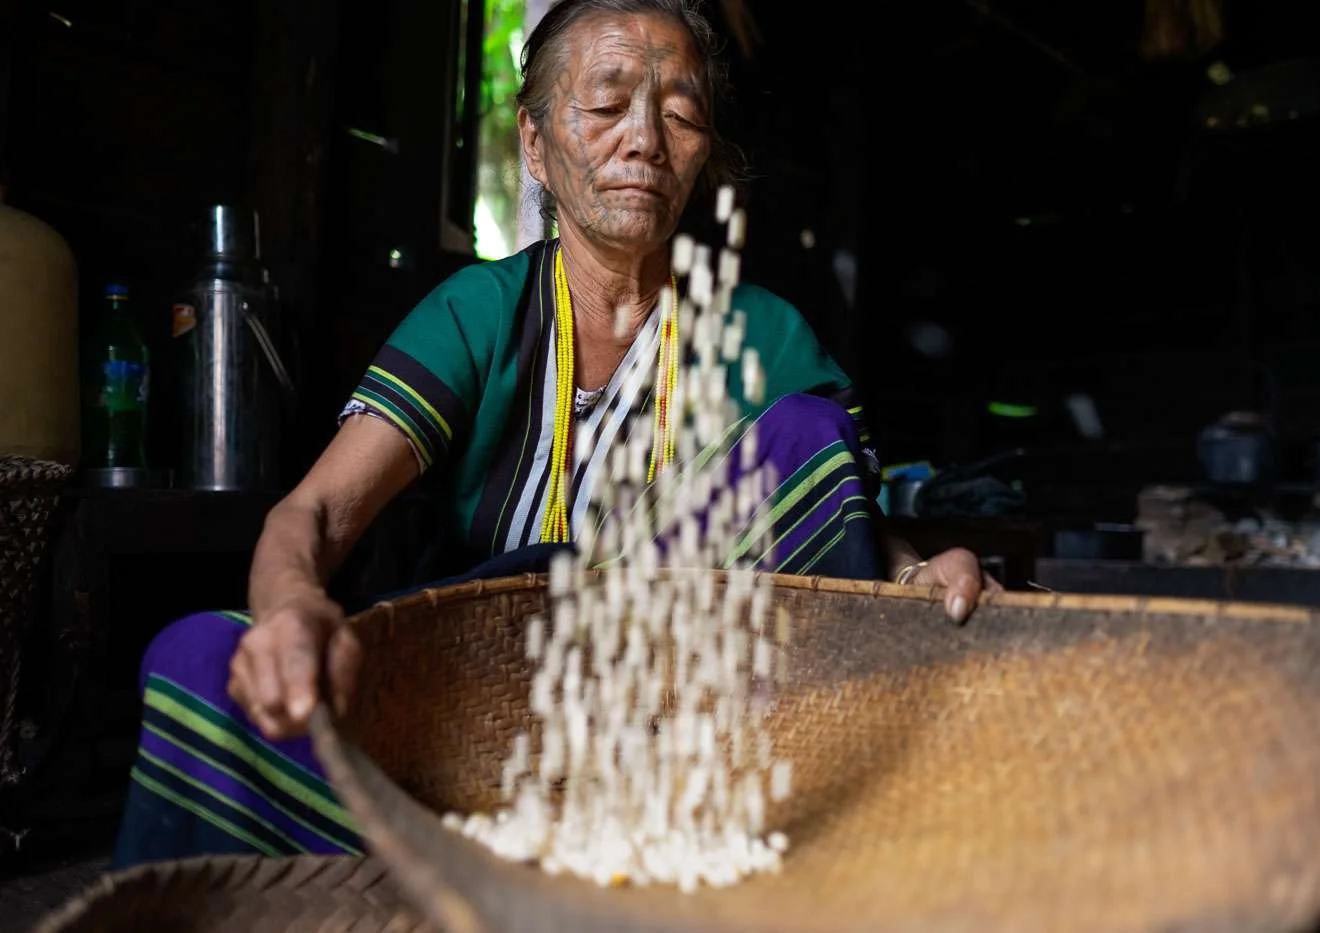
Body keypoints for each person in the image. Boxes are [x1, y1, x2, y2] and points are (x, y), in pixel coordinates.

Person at [108, 0, 999, 868]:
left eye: (680, 116)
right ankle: (483, 847)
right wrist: (296, 609)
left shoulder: (763, 335)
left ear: (702, 158)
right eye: (607, 107)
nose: (644, 140)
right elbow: (314, 516)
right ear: (534, 144)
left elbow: (835, 518)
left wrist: (917, 571)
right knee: (196, 662)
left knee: (804, 432)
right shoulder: (479, 312)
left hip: (689, 734)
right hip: (472, 718)